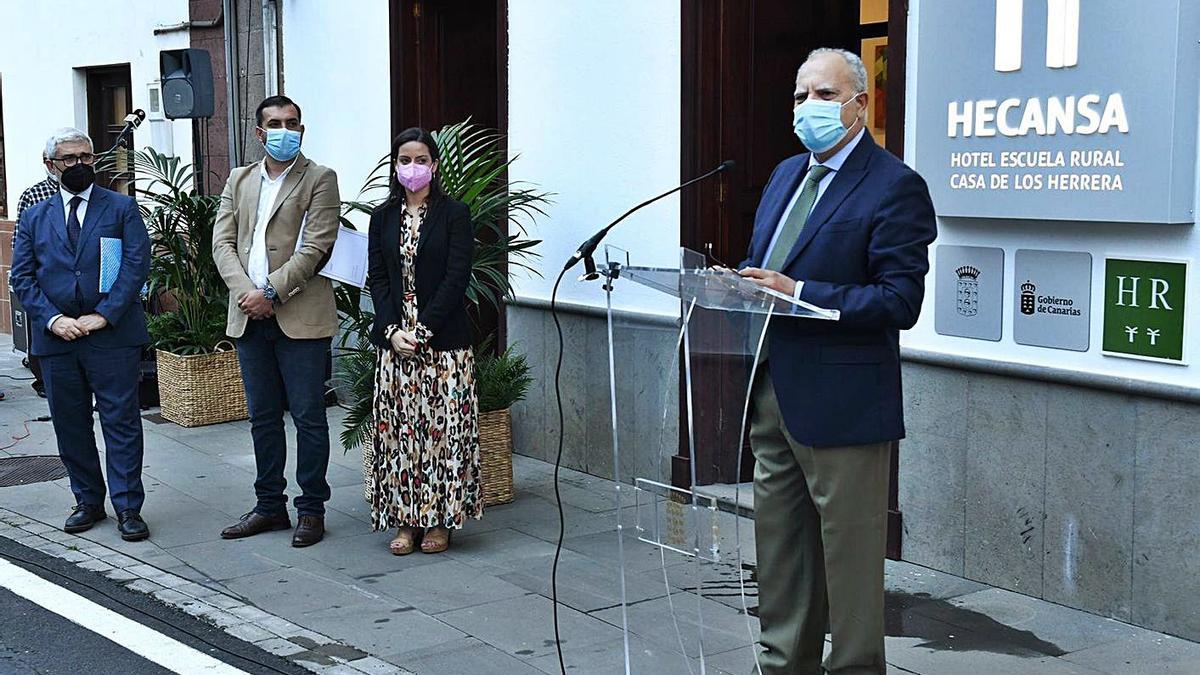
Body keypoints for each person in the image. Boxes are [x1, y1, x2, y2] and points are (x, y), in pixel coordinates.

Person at [736, 48, 936, 675]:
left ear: (860, 104)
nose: (808, 109)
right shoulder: (785, 175)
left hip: (845, 407)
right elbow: (764, 266)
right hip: (774, 392)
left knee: (848, 564)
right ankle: (783, 664)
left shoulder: (894, 185)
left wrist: (799, 293)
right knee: (781, 553)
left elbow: (899, 299)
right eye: (800, 97)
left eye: (824, 95)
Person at [10, 128, 152, 541]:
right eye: (69, 159)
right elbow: (23, 276)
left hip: (112, 337)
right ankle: (88, 500)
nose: (79, 166)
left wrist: (103, 316)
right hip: (56, 340)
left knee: (121, 421)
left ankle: (128, 507)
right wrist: (53, 320)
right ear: (50, 165)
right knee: (70, 423)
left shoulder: (121, 208)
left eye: (86, 157)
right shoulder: (36, 216)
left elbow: (134, 266)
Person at [212, 95, 340, 548]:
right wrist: (247, 293)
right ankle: (269, 506)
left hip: (299, 314)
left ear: (301, 129)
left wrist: (271, 293)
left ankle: (311, 509)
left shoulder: (320, 178)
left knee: (308, 416)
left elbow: (317, 247)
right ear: (259, 131)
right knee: (262, 417)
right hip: (248, 315)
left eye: (293, 123)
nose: (285, 130)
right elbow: (222, 242)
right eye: (276, 123)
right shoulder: (240, 179)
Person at [366, 127, 481, 555]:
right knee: (400, 434)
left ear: (433, 166)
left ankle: (438, 522)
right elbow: (377, 277)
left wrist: (423, 331)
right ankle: (406, 521)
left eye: (420, 160)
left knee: (443, 433)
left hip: (443, 343)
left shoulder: (454, 214)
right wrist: (392, 331)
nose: (412, 168)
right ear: (395, 167)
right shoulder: (382, 217)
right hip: (395, 343)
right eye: (404, 160)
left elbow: (457, 277)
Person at [13, 152, 60, 398]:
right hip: (45, 280)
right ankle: (43, 380)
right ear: (49, 164)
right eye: (68, 158)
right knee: (42, 330)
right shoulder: (33, 195)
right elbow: (18, 243)